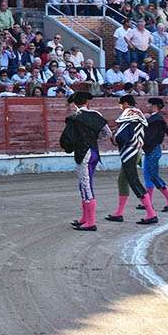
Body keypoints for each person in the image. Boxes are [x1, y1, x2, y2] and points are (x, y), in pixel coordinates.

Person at [60, 91, 110, 232]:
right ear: (87, 102)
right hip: (94, 153)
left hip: (83, 155)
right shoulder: (96, 115)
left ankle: (91, 222)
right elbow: (107, 134)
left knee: (86, 186)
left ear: (75, 104)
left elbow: (67, 140)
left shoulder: (74, 118)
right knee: (84, 185)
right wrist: (94, 139)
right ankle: (85, 219)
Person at [104, 94, 158, 225]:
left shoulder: (129, 115)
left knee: (133, 181)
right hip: (136, 150)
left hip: (130, 151)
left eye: (121, 104)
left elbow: (122, 137)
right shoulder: (138, 115)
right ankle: (119, 213)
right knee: (122, 180)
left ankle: (151, 213)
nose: (121, 107)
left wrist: (114, 138)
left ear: (126, 103)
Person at [141, 97, 168, 213]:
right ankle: (149, 201)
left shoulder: (156, 120)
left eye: (149, 105)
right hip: (150, 150)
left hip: (152, 150)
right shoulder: (155, 119)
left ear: (154, 106)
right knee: (147, 175)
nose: (147, 107)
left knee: (153, 176)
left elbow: (151, 137)